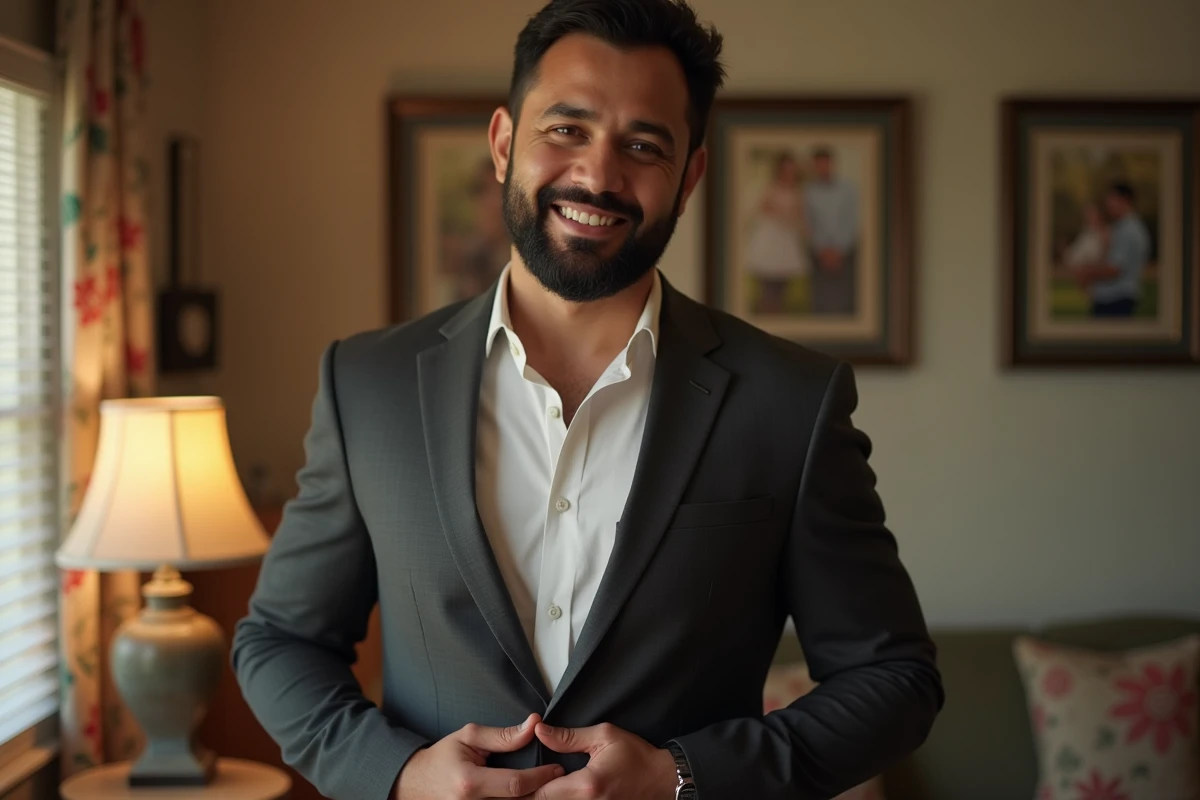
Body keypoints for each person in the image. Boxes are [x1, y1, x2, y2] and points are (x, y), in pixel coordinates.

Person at [231, 1, 943, 799]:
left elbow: (895, 679)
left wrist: (684, 778)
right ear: (504, 144)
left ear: (690, 177)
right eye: (566, 129)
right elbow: (279, 641)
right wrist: (395, 774)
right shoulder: (366, 386)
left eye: (643, 145)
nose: (599, 176)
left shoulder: (792, 403)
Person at [1072, 181, 1151, 317]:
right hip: (1110, 299)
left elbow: (1115, 269)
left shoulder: (1129, 231)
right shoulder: (1120, 228)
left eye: (1111, 199)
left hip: (1116, 300)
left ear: (1125, 200)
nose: (1108, 204)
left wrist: (1086, 272)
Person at [743, 151, 809, 314]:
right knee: (768, 285)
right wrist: (783, 214)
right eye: (786, 168)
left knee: (782, 286)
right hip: (771, 241)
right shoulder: (770, 187)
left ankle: (778, 318)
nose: (789, 172)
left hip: (787, 242)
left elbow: (800, 215)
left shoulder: (798, 191)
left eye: (792, 169)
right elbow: (763, 208)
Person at [803, 146, 859, 315]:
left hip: (845, 252)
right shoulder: (808, 191)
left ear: (832, 164)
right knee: (821, 299)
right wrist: (822, 250)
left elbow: (852, 219)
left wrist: (839, 250)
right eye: (818, 165)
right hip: (819, 254)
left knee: (845, 300)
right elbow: (808, 222)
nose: (822, 168)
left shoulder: (848, 189)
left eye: (825, 164)